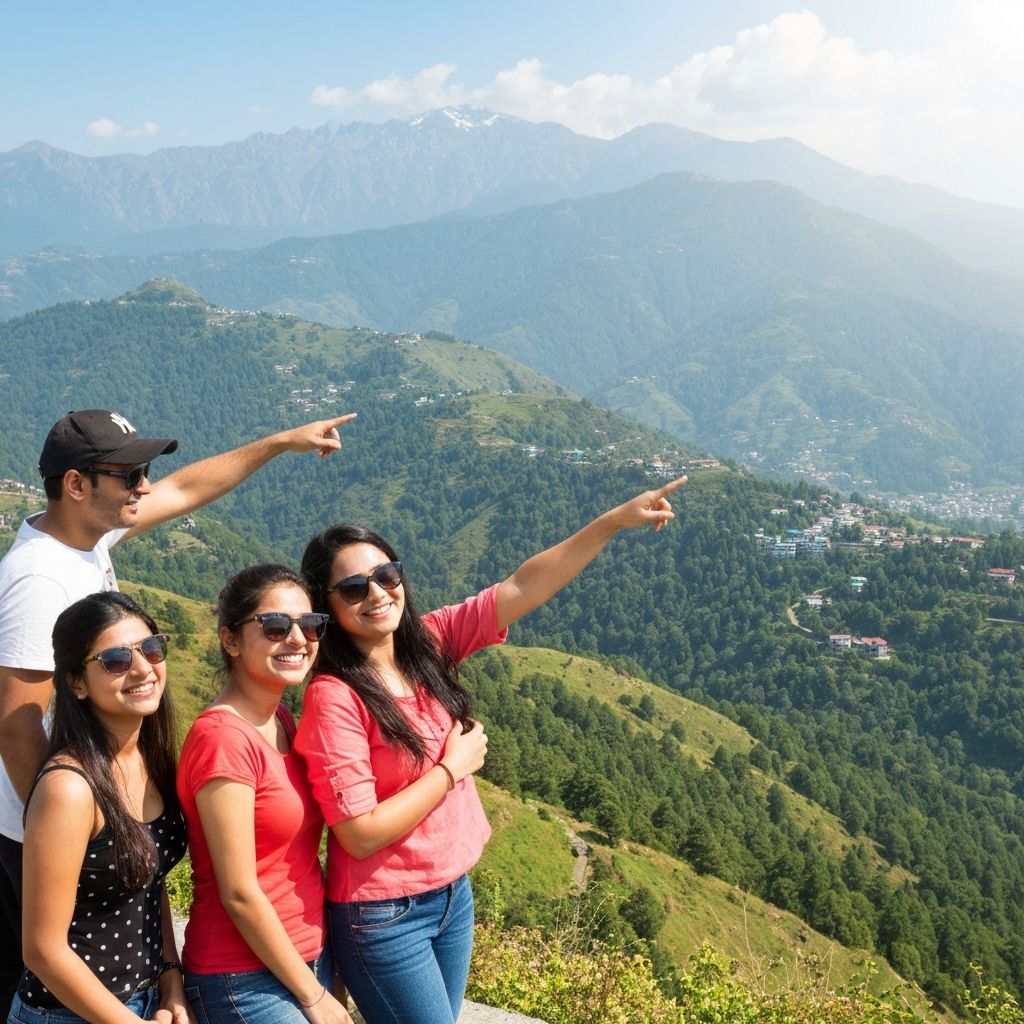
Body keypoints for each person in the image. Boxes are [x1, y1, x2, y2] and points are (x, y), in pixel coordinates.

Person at [0, 407, 355, 1017]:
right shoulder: (39, 579)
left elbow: (186, 487)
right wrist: (78, 823)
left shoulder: (83, 537)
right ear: (76, 485)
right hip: (52, 828)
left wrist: (277, 441)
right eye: (129, 474)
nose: (143, 485)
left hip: (91, 811)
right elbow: (16, 723)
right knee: (55, 994)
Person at [295, 476, 686, 1024]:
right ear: (326, 605)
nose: (378, 593)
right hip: (382, 914)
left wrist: (612, 522)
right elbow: (357, 834)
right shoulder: (333, 696)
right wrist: (450, 770)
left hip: (454, 895)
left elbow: (524, 586)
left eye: (386, 575)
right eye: (354, 588)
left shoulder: (427, 644)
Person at [176, 565, 352, 1024]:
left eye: (310, 624)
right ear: (230, 640)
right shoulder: (224, 740)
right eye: (275, 625)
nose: (297, 638)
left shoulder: (282, 721)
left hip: (302, 956)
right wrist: (312, 996)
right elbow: (238, 891)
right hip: (242, 975)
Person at [11, 591, 189, 1024]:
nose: (144, 668)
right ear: (76, 682)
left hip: (145, 1002)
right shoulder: (70, 789)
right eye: (115, 659)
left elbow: (151, 880)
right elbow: (42, 949)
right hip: (71, 1014)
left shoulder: (150, 759)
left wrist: (171, 981)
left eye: (151, 648)